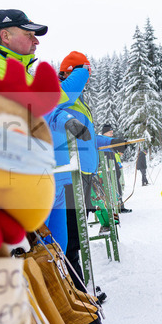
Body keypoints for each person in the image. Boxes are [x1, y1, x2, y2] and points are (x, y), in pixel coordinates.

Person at [0, 9, 90, 252]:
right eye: (29, 34)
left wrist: (63, 118)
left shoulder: (19, 70)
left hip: (49, 177)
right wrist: (80, 74)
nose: (36, 41)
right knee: (39, 257)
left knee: (57, 253)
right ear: (5, 36)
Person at [57, 51, 123, 291]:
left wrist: (111, 142)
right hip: (67, 178)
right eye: (84, 75)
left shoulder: (76, 101)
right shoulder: (59, 93)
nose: (86, 80)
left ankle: (79, 288)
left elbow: (88, 138)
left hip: (83, 176)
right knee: (71, 239)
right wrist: (81, 71)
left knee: (77, 236)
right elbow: (59, 97)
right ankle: (77, 291)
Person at [101, 124, 132, 213]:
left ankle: (121, 207)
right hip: (106, 172)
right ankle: (110, 209)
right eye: (110, 133)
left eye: (112, 132)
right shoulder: (102, 143)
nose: (112, 134)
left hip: (115, 171)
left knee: (118, 190)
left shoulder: (111, 143)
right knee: (108, 192)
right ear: (104, 133)